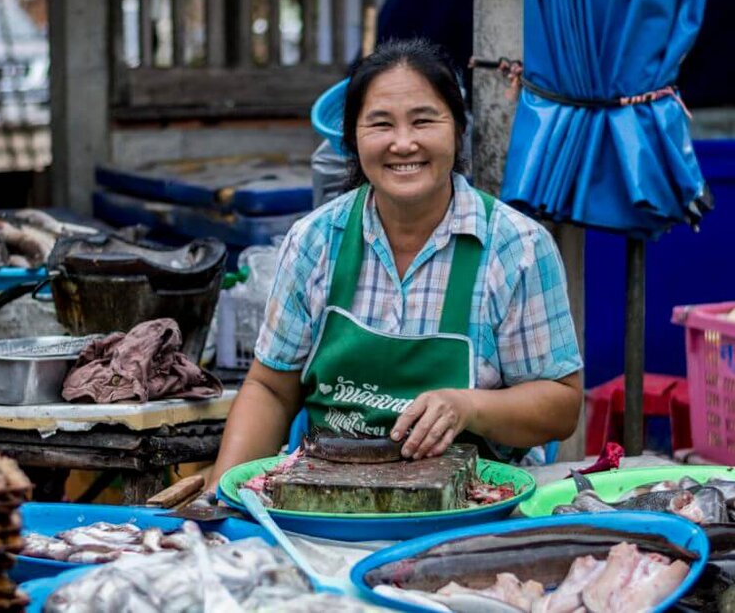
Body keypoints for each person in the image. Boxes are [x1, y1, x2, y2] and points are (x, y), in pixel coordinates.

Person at [208, 38, 583, 491]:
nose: (403, 144)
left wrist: (469, 407)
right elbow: (270, 390)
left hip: (473, 507)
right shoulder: (315, 240)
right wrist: (221, 494)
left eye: (424, 121)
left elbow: (561, 406)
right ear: (353, 138)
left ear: (457, 130)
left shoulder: (517, 247)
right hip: (328, 499)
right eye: (381, 124)